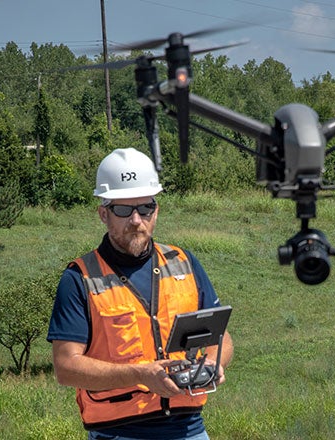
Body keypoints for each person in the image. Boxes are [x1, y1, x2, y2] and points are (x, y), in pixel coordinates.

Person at [47, 148, 233, 440]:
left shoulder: (183, 262)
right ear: (103, 214)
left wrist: (214, 363)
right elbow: (66, 367)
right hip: (119, 432)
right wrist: (140, 375)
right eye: (124, 210)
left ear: (156, 210)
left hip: (189, 428)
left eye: (145, 208)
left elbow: (220, 338)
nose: (136, 220)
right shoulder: (79, 277)